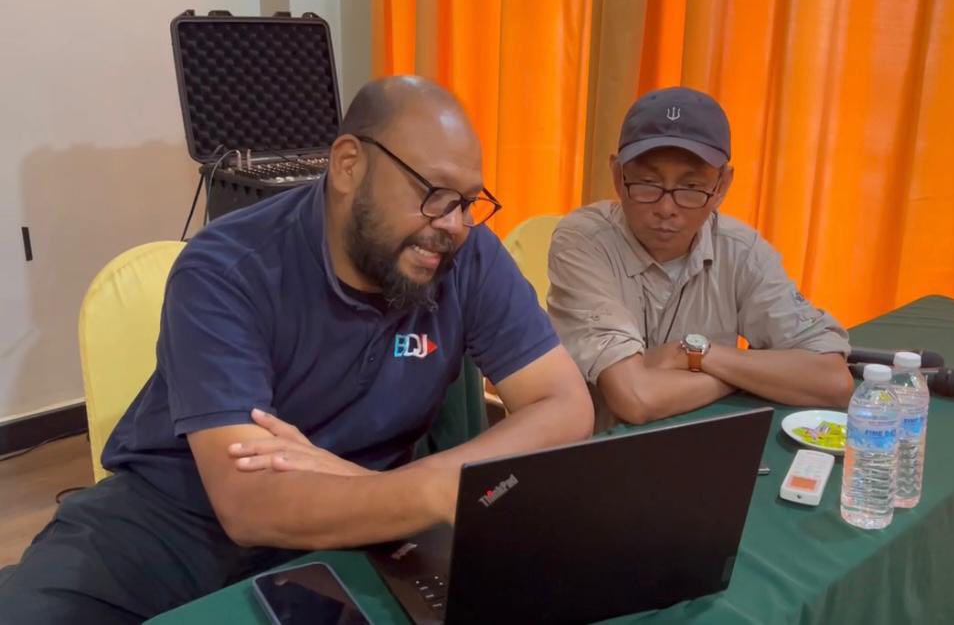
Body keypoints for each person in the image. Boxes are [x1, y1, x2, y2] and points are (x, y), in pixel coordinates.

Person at [0, 76, 593, 624]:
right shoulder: (228, 267)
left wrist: (400, 484)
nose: (456, 223)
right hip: (173, 517)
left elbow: (565, 404)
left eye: (468, 201)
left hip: (368, 525)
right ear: (349, 165)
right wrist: (440, 492)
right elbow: (250, 505)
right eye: (436, 193)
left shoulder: (467, 257)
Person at [547, 86, 852, 431]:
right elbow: (635, 398)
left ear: (722, 185)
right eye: (647, 182)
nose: (666, 208)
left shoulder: (742, 250)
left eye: (691, 187)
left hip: (704, 441)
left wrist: (695, 353)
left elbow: (833, 381)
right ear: (617, 176)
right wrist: (750, 376)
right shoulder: (584, 241)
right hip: (597, 447)